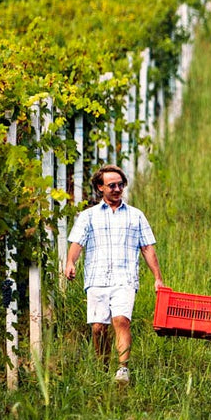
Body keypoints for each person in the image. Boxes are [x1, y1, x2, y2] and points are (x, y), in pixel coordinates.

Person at [65, 164, 164, 385]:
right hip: (96, 278)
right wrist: (71, 262)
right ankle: (102, 366)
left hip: (125, 278)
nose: (117, 189)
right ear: (100, 187)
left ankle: (122, 370)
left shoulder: (136, 216)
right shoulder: (88, 216)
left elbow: (147, 248)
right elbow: (77, 243)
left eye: (120, 185)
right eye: (112, 185)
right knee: (98, 327)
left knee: (121, 320)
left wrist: (157, 277)